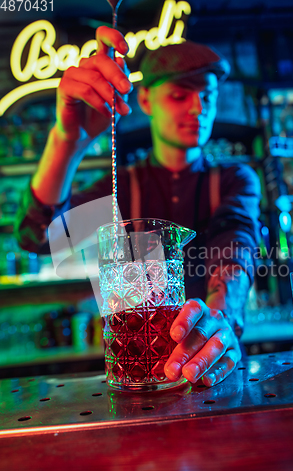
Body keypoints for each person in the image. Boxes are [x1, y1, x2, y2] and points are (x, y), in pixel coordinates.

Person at [15, 27, 261, 387]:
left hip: (212, 365)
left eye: (208, 96)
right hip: (138, 376)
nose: (198, 108)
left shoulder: (234, 179)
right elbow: (39, 237)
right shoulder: (122, 186)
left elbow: (236, 246)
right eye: (179, 95)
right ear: (144, 100)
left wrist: (220, 316)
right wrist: (68, 141)